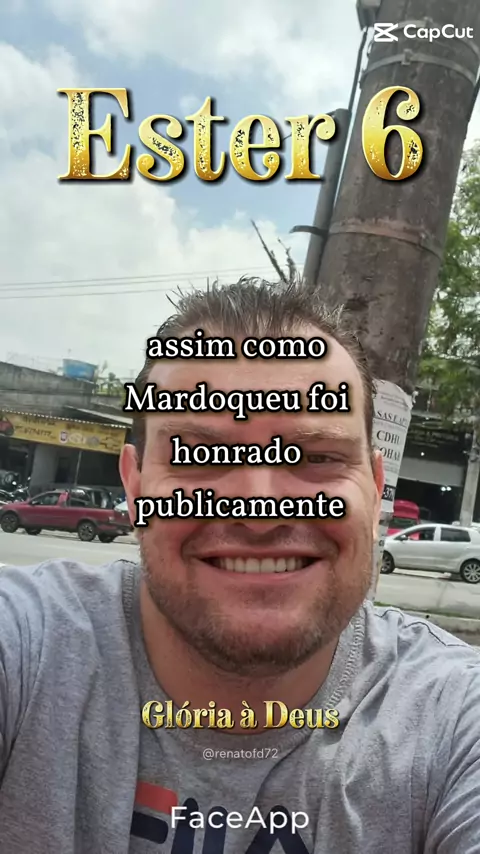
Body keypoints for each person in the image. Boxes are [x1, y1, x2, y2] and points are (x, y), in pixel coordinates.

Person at [0, 278, 479, 854]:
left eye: (317, 456)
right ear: (135, 485)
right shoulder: (30, 645)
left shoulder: (453, 719)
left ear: (375, 492)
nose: (258, 511)